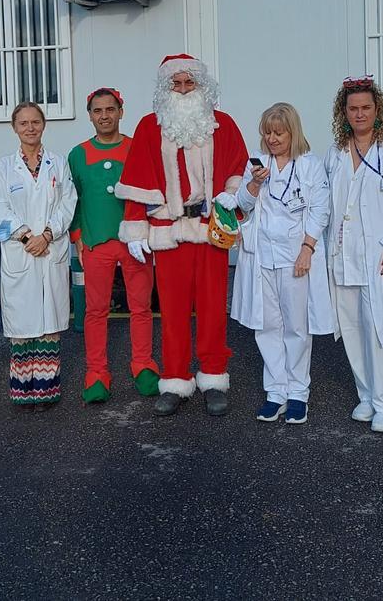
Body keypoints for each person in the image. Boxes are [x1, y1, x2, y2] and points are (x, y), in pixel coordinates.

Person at [115, 54, 248, 416]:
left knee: (211, 308)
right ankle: (174, 379)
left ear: (203, 87)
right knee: (172, 310)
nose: (185, 90)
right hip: (168, 230)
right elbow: (136, 182)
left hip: (208, 229)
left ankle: (213, 376)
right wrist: (136, 230)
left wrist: (231, 196)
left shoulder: (223, 125)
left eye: (191, 83)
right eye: (178, 83)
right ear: (166, 87)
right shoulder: (148, 127)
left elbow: (238, 168)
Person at [324, 76, 383, 434]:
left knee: (381, 331)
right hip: (344, 255)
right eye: (353, 108)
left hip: (382, 257)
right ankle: (366, 396)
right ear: (344, 113)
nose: (360, 114)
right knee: (352, 328)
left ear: (377, 110)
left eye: (366, 107)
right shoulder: (336, 152)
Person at [231, 102, 333, 425]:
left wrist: (308, 248)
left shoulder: (309, 165)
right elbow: (241, 206)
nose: (272, 139)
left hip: (295, 258)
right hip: (262, 257)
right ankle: (275, 391)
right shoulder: (257, 165)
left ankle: (298, 393)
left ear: (293, 132)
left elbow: (320, 209)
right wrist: (254, 184)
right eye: (268, 133)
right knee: (267, 325)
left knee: (297, 327)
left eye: (279, 132)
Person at [68, 88, 160, 404]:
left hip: (134, 241)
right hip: (95, 242)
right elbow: (73, 200)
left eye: (110, 109)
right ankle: (96, 373)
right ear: (90, 114)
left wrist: (151, 232)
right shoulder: (77, 155)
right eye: (98, 110)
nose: (104, 116)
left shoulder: (138, 147)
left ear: (121, 111)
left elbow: (151, 191)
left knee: (141, 306)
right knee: (95, 310)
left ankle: (144, 365)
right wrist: (77, 237)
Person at [0, 102, 78, 407]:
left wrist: (48, 234)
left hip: (50, 246)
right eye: (23, 123)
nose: (30, 128)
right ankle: (23, 390)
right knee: (23, 322)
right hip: (21, 250)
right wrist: (28, 235)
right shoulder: (3, 166)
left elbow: (68, 203)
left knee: (49, 322)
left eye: (35, 122)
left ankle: (46, 390)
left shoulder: (59, 163)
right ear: (14, 127)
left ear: (43, 125)